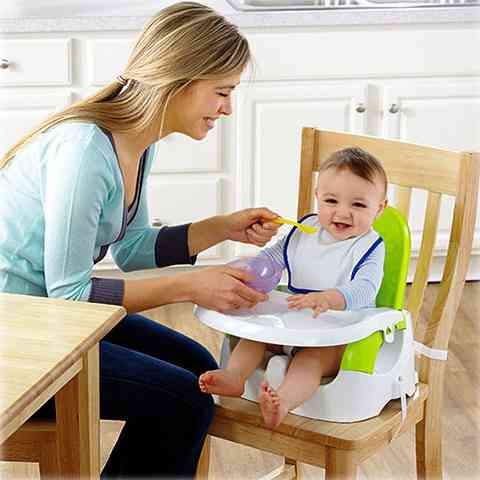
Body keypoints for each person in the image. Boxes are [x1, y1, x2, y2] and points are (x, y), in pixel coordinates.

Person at [0, 2, 281, 477]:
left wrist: (222, 227)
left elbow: (132, 250)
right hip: (18, 335)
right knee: (181, 400)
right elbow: (69, 296)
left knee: (197, 368)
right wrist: (190, 285)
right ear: (179, 80)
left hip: (51, 319)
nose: (228, 109)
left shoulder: (134, 142)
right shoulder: (85, 151)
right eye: (222, 92)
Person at [199, 147, 388, 430]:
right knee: (253, 337)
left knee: (310, 362)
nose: (342, 212)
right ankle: (235, 377)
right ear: (318, 197)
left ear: (380, 208)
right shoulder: (306, 230)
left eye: (358, 205)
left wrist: (329, 299)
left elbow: (365, 289)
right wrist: (252, 269)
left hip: (335, 335)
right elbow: (275, 257)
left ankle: (282, 401)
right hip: (293, 322)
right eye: (331, 200)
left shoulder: (369, 246)